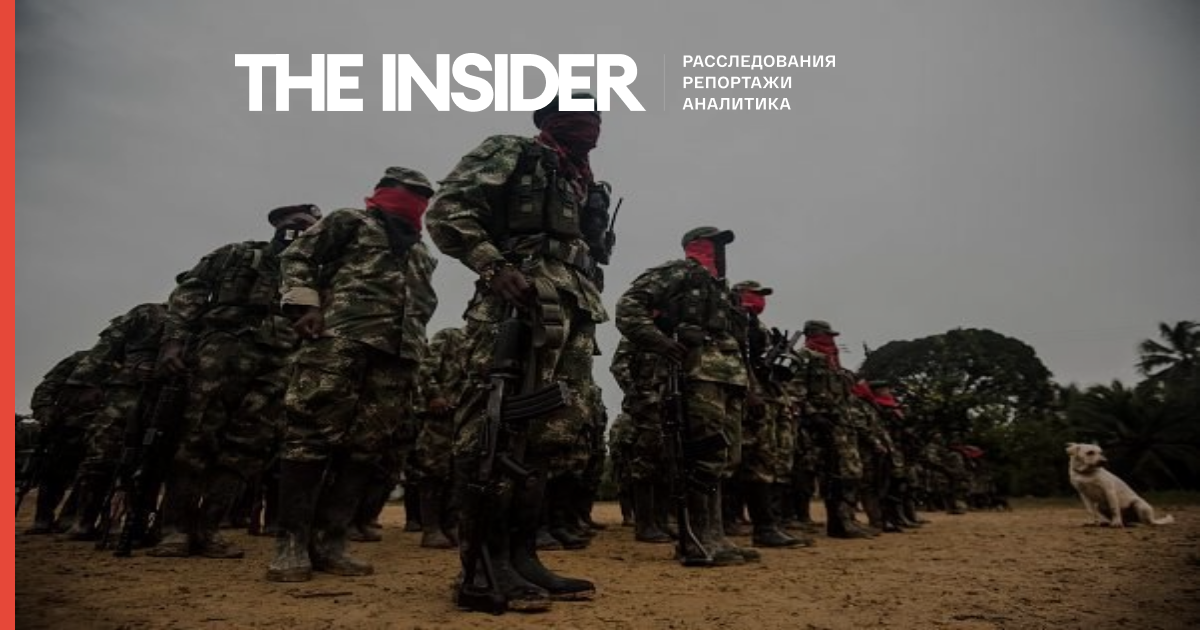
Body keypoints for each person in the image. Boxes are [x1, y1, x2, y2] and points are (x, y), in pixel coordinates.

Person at [426, 94, 609, 612]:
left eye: (597, 115)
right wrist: (491, 265)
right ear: (548, 119)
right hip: (519, 298)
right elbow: (448, 209)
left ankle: (523, 557)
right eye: (578, 112)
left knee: (547, 435)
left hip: (573, 306)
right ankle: (481, 568)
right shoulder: (513, 150)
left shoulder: (579, 178)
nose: (591, 122)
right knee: (494, 427)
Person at [266, 168, 438, 582]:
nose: (413, 200)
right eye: (407, 192)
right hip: (340, 338)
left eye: (422, 195)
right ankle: (291, 544)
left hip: (398, 354)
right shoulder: (350, 221)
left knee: (366, 446)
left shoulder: (421, 251)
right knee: (309, 436)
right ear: (383, 191)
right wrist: (305, 305)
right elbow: (298, 256)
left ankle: (330, 542)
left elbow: (422, 302)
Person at [150, 203, 320, 559]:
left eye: (309, 226)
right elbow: (190, 293)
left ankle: (209, 529)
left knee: (248, 447)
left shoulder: (314, 273)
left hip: (279, 362)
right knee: (196, 437)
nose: (300, 230)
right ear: (278, 224)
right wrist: (173, 340)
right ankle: (175, 530)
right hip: (221, 352)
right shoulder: (236, 254)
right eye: (294, 223)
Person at [615, 227, 761, 567]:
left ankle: (716, 535)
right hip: (696, 377)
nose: (722, 253)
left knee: (725, 458)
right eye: (717, 245)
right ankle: (695, 539)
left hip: (729, 380)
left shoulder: (722, 291)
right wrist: (662, 343)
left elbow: (738, 345)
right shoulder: (677, 272)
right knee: (702, 457)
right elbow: (628, 306)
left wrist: (752, 387)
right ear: (700, 246)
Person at [61, 302, 170, 541]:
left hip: (167, 399)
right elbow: (107, 346)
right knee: (101, 458)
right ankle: (83, 522)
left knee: (151, 462)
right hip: (124, 395)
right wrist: (83, 382)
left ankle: (132, 524)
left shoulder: (200, 323)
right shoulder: (149, 313)